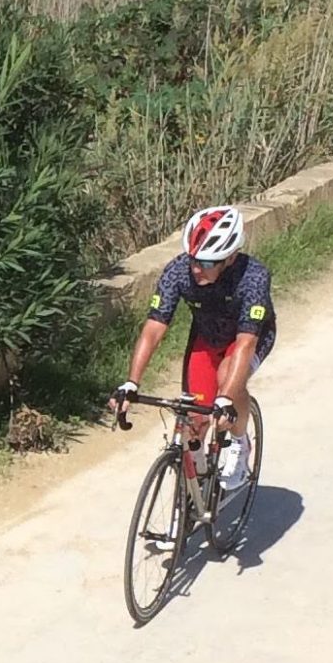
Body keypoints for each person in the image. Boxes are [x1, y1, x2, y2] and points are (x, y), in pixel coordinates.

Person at [111, 205, 274, 490]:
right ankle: (196, 487)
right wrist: (131, 382)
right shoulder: (179, 272)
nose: (197, 269)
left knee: (228, 381)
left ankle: (240, 442)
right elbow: (153, 330)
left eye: (208, 263)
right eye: (194, 260)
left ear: (230, 258)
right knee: (194, 420)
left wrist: (224, 399)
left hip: (248, 337)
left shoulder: (254, 277)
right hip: (207, 338)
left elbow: (246, 342)